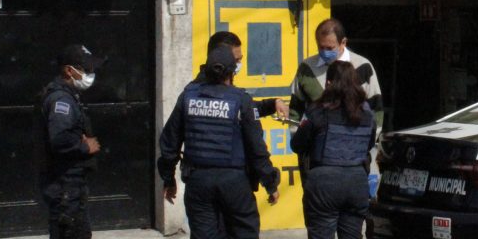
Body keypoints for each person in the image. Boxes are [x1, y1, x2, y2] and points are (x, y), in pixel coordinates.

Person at [157, 44, 281, 239]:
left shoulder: (188, 97)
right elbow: (257, 149)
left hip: (198, 182)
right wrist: (270, 183)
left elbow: (169, 142)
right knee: (244, 232)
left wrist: (168, 178)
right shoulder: (241, 100)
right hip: (234, 182)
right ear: (231, 72)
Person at [289, 18, 384, 230]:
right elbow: (295, 110)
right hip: (318, 166)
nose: (325, 52)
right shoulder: (307, 68)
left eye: (330, 48)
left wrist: (361, 151)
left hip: (354, 165)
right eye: (321, 47)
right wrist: (300, 140)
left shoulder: (362, 67)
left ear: (343, 43)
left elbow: (376, 113)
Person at [39, 44, 104, 239]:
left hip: (70, 186)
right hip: (65, 186)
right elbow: (59, 139)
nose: (90, 74)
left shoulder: (69, 96)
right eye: (86, 70)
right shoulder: (62, 101)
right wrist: (85, 145)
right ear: (69, 70)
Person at [196, 31, 289, 119]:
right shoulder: (207, 93)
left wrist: (274, 103)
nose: (238, 64)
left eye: (240, 59)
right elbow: (245, 111)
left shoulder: (190, 93)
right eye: (236, 60)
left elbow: (245, 107)